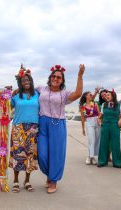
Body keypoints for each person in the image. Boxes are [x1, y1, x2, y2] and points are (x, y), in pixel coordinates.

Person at [37, 64, 84, 193]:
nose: (56, 78)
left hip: (57, 125)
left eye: (59, 77)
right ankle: (50, 175)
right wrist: (16, 90)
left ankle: (53, 181)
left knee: (56, 154)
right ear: (50, 77)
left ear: (62, 80)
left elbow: (78, 93)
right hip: (42, 124)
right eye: (54, 76)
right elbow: (27, 89)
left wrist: (80, 75)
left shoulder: (64, 94)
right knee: (41, 154)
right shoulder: (41, 89)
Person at [9, 66, 39, 193]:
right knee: (18, 155)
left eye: (28, 80)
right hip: (18, 128)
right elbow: (5, 107)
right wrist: (10, 94)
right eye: (23, 80)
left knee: (30, 155)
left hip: (33, 128)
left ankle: (27, 181)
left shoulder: (37, 94)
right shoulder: (16, 96)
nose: (26, 82)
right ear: (20, 83)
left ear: (31, 81)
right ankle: (15, 181)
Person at [98, 90, 121, 168]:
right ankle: (102, 161)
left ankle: (117, 163)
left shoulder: (119, 104)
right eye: (106, 95)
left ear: (113, 96)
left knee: (115, 143)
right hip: (105, 125)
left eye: (108, 95)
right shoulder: (104, 104)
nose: (106, 96)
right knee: (103, 143)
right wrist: (99, 120)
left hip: (114, 125)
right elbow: (101, 115)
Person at [79, 91, 100, 165]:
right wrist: (83, 128)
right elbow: (82, 117)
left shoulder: (95, 104)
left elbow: (99, 114)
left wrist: (99, 120)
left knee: (97, 140)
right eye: (90, 94)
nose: (91, 95)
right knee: (91, 139)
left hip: (97, 122)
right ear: (86, 96)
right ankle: (89, 156)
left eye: (91, 94)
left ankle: (93, 156)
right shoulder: (82, 106)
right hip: (89, 122)